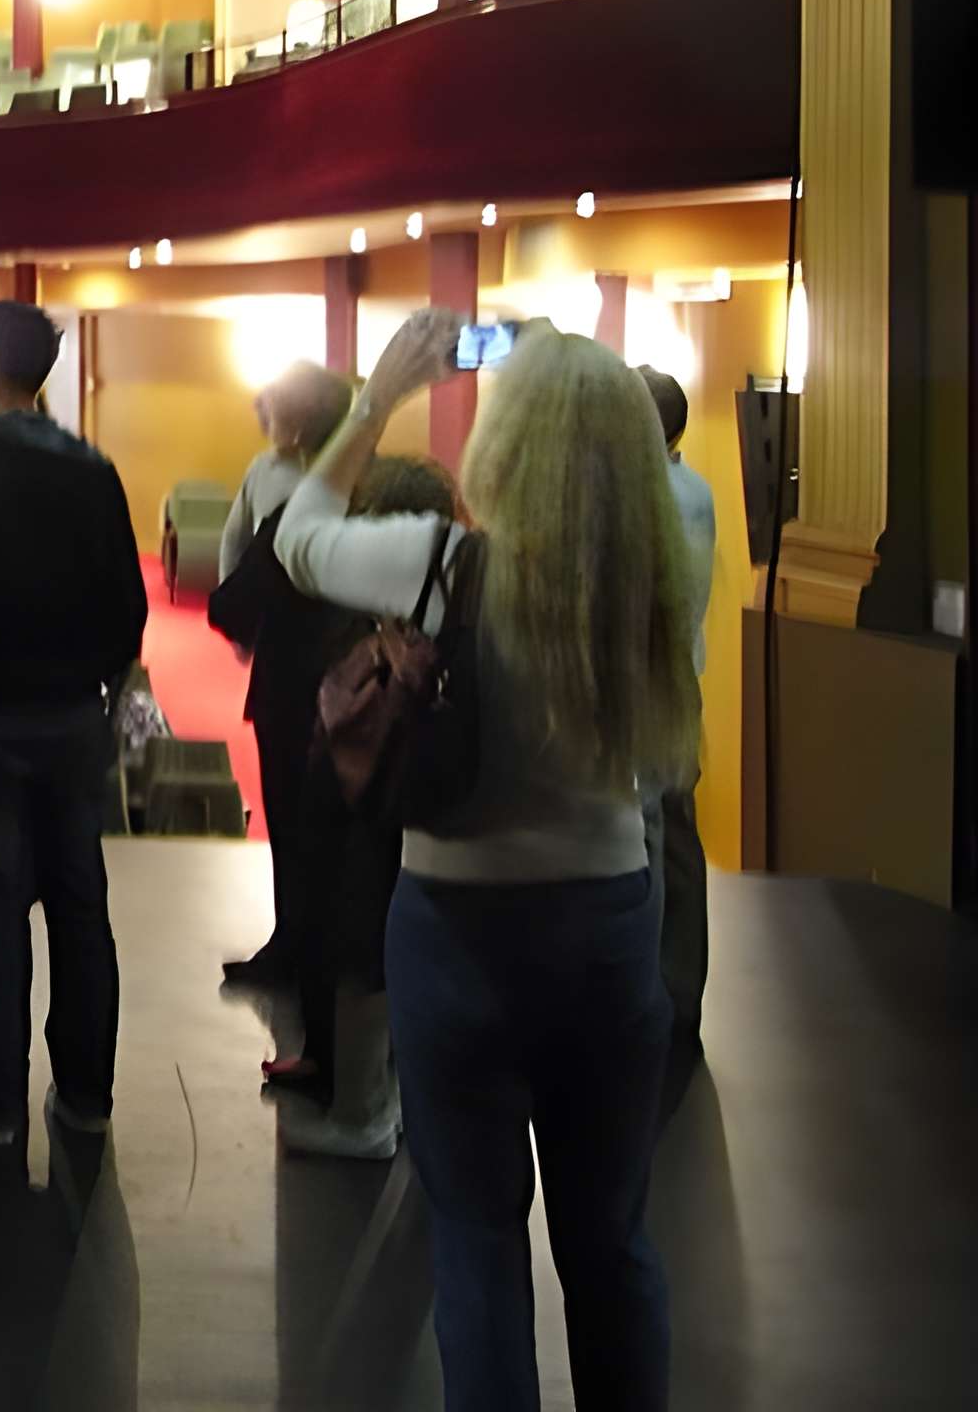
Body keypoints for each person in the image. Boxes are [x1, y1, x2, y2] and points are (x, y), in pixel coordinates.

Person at [277, 312, 701, 1411]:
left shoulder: (441, 564)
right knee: (609, 1243)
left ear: (503, 448)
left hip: (454, 931)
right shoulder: (655, 580)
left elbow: (299, 534)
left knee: (473, 1238)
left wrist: (374, 400)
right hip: (604, 925)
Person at [0, 298, 146, 1150]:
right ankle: (86, 1094)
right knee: (81, 907)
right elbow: (128, 608)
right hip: (69, 717)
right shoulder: (93, 469)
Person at [275, 451, 459, 1160]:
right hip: (429, 803)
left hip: (364, 796)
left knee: (361, 946)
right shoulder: (459, 588)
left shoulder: (361, 592)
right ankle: (408, 1106)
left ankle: (361, 1115)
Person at [217, 361, 357, 988]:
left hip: (321, 670)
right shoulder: (268, 472)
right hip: (294, 660)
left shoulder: (340, 482)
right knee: (290, 814)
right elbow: (233, 547)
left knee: (319, 816)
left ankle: (318, 943)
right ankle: (295, 938)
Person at [634, 365, 715, 1058]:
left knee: (650, 835)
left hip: (648, 687)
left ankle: (650, 1001)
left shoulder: (646, 495)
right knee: (679, 841)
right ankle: (680, 999)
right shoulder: (695, 488)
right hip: (683, 684)